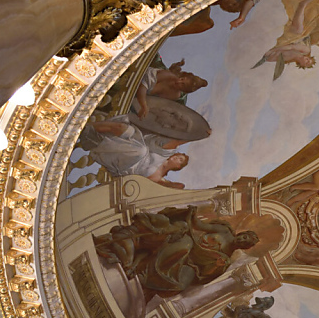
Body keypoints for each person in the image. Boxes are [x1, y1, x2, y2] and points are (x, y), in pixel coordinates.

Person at [94, 205, 259, 303]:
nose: (243, 240)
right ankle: (143, 270)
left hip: (191, 264)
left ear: (245, 248)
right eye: (244, 236)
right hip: (189, 243)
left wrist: (215, 265)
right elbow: (199, 225)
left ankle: (147, 285)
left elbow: (204, 276)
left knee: (180, 285)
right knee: (183, 247)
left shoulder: (225, 259)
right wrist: (193, 215)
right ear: (241, 233)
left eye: (246, 242)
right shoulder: (224, 230)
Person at [78, 114, 190, 187]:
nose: (176, 157)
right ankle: (83, 126)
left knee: (140, 151)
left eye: (180, 160)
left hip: (126, 166)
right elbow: (176, 142)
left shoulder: (160, 179)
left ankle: (95, 142)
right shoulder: (163, 155)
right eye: (179, 155)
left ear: (178, 167)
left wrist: (199, 135)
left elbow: (179, 186)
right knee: (125, 129)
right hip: (132, 148)